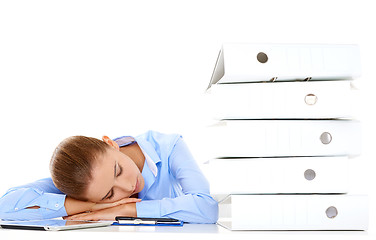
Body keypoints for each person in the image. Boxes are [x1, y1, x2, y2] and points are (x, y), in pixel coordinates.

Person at [0, 130, 218, 223]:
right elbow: (5, 206)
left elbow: (207, 207)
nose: (127, 186)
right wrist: (92, 207)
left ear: (110, 144)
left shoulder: (169, 147)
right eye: (109, 194)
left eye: (118, 170)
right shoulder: (83, 182)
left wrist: (124, 209)